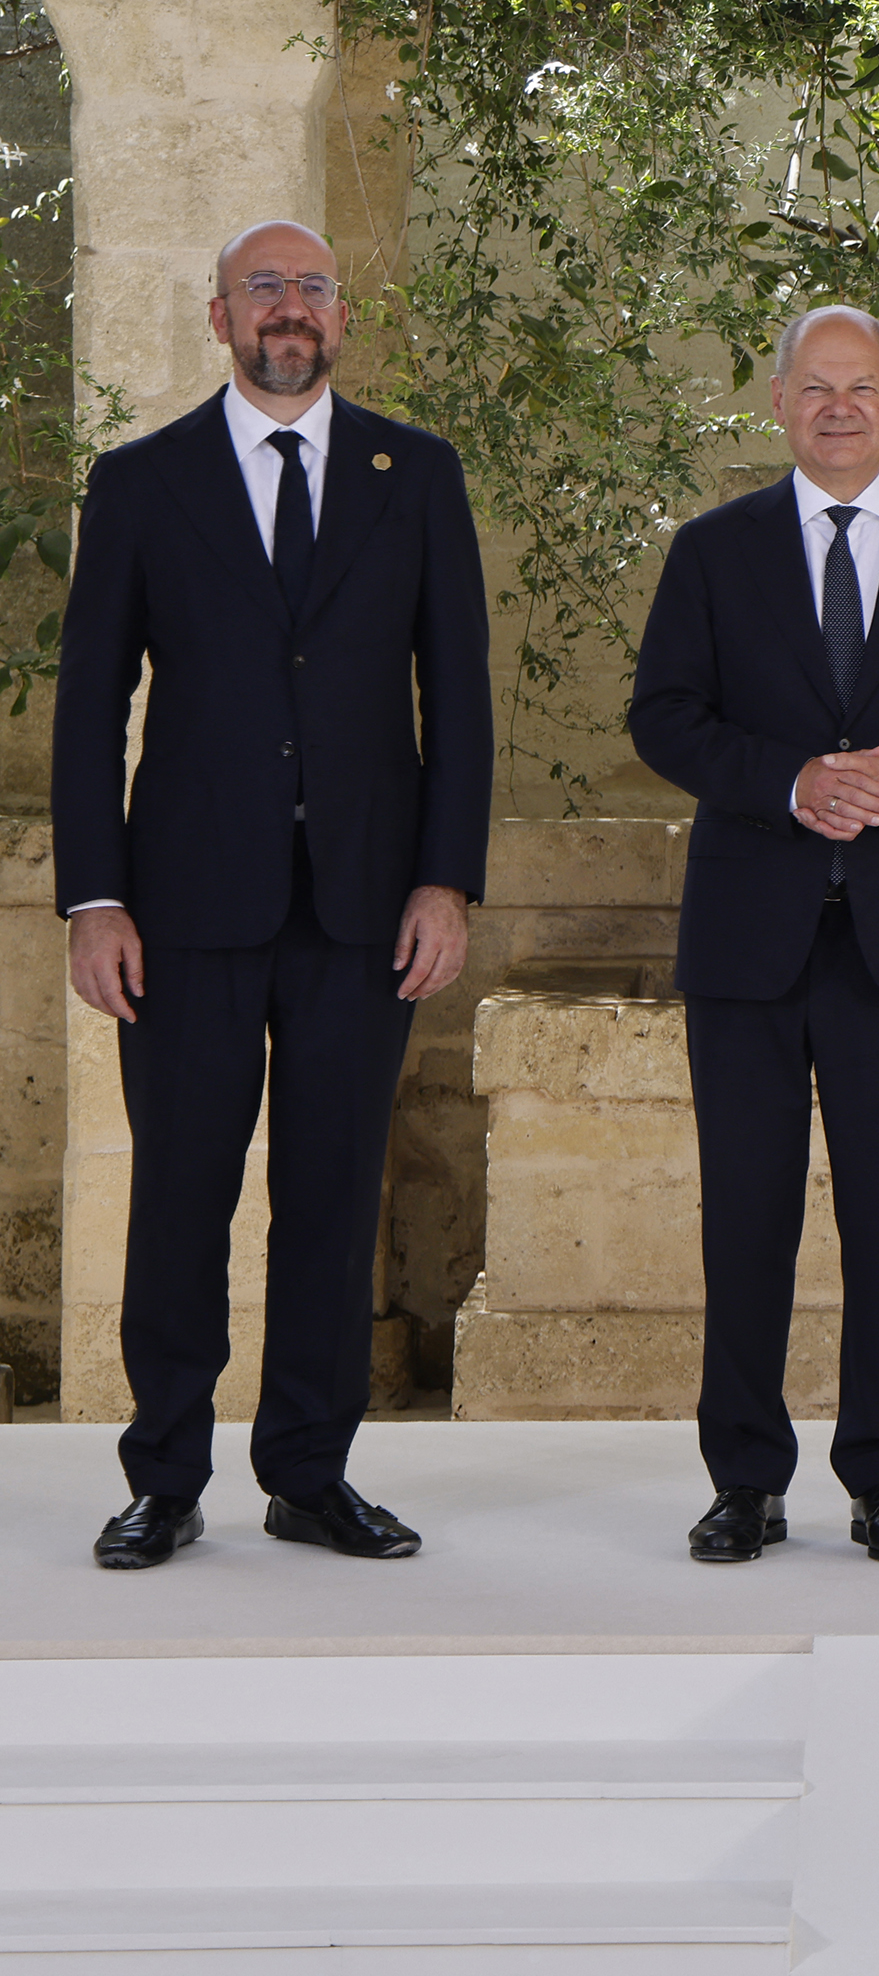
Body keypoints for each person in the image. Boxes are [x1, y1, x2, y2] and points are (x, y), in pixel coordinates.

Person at [59, 221, 491, 1570]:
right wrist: (94, 898)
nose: (288, 309)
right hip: (181, 908)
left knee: (330, 1194)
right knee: (181, 1192)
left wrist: (446, 877)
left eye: (310, 288)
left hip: (365, 906)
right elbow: (89, 710)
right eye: (265, 288)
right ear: (219, 316)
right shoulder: (140, 483)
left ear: (340, 318)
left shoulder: (413, 474)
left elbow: (460, 697)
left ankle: (309, 1470)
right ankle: (164, 1478)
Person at [627, 306, 879, 1565]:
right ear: (778, 402)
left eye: (862, 388)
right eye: (817, 388)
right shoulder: (713, 552)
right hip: (748, 936)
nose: (840, 408)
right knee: (744, 1215)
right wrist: (794, 781)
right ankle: (745, 1479)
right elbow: (665, 717)